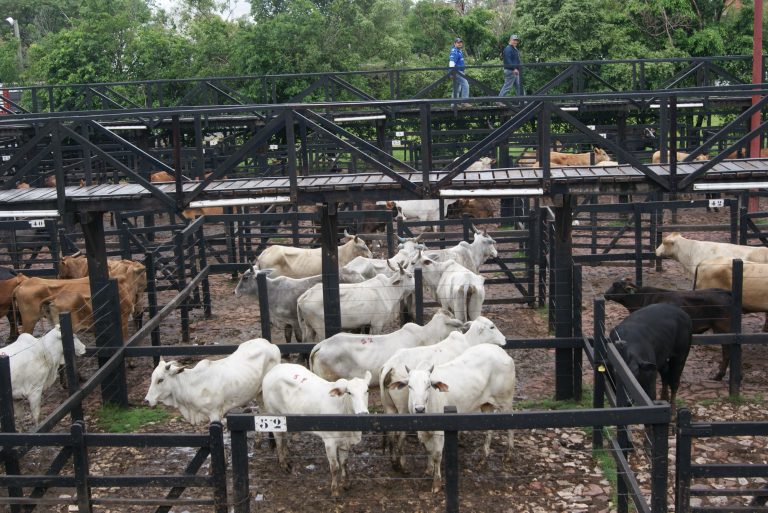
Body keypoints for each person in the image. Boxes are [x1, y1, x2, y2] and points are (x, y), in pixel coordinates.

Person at [449, 37, 469, 102]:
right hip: (456, 72)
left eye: (460, 42)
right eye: (458, 42)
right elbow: (451, 63)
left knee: (457, 88)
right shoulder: (454, 52)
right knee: (465, 84)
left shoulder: (459, 51)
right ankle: (464, 102)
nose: (459, 44)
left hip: (459, 72)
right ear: (455, 44)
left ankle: (454, 104)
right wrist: (451, 73)